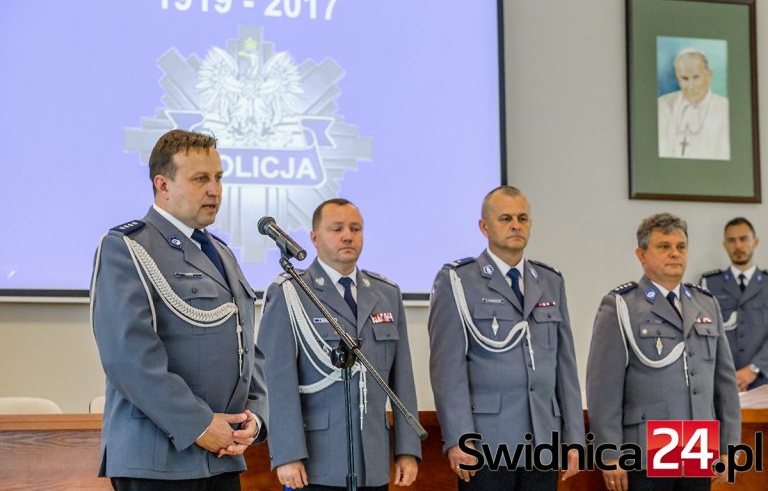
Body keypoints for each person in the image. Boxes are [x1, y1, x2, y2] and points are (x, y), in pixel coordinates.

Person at [91, 129, 268, 491]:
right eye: (200, 179)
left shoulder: (220, 253)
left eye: (218, 178)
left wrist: (256, 416)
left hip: (221, 456)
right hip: (158, 460)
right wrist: (200, 425)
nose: (215, 190)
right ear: (163, 185)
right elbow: (129, 358)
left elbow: (246, 345)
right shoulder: (127, 246)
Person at [257, 198, 421, 490]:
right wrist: (287, 454)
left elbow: (402, 380)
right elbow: (276, 382)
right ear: (314, 238)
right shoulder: (290, 292)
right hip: (316, 462)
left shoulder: (387, 293)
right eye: (337, 229)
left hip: (372, 462)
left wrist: (407, 450)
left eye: (355, 229)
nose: (347, 236)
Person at [428, 186, 584, 491]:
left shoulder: (550, 281)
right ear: (484, 227)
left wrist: (574, 438)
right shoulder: (458, 281)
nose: (516, 225)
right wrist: (460, 437)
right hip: (487, 440)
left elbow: (565, 367)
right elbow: (448, 371)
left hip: (543, 439)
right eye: (506, 218)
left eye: (523, 218)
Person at [586, 213, 740, 491]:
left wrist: (729, 447)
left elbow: (724, 383)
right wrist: (610, 454)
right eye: (664, 246)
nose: (674, 253)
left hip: (697, 445)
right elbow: (603, 389)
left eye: (681, 247)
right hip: (647, 447)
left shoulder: (706, 304)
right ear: (641, 254)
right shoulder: (622, 305)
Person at [700, 217, 768, 391]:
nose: (738, 246)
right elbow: (703, 335)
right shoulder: (709, 284)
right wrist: (726, 373)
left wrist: (754, 369)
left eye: (744, 239)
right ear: (724, 245)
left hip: (763, 381)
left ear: (756, 242)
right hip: (722, 382)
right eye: (731, 240)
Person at [658, 48, 730, 160]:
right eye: (684, 79)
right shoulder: (662, 105)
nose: (691, 86)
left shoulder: (726, 109)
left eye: (696, 77)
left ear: (709, 76)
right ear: (677, 79)